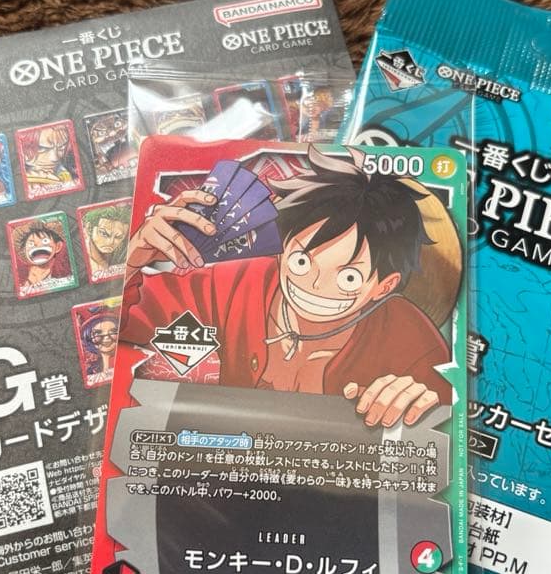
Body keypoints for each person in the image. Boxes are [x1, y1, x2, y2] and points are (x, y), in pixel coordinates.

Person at [119, 147, 452, 428]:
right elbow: (120, 322)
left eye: (348, 278)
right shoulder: (232, 285)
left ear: (384, 286)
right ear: (281, 250)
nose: (315, 285)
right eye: (302, 262)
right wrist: (131, 261)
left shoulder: (410, 341)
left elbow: (443, 417)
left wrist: (420, 402)